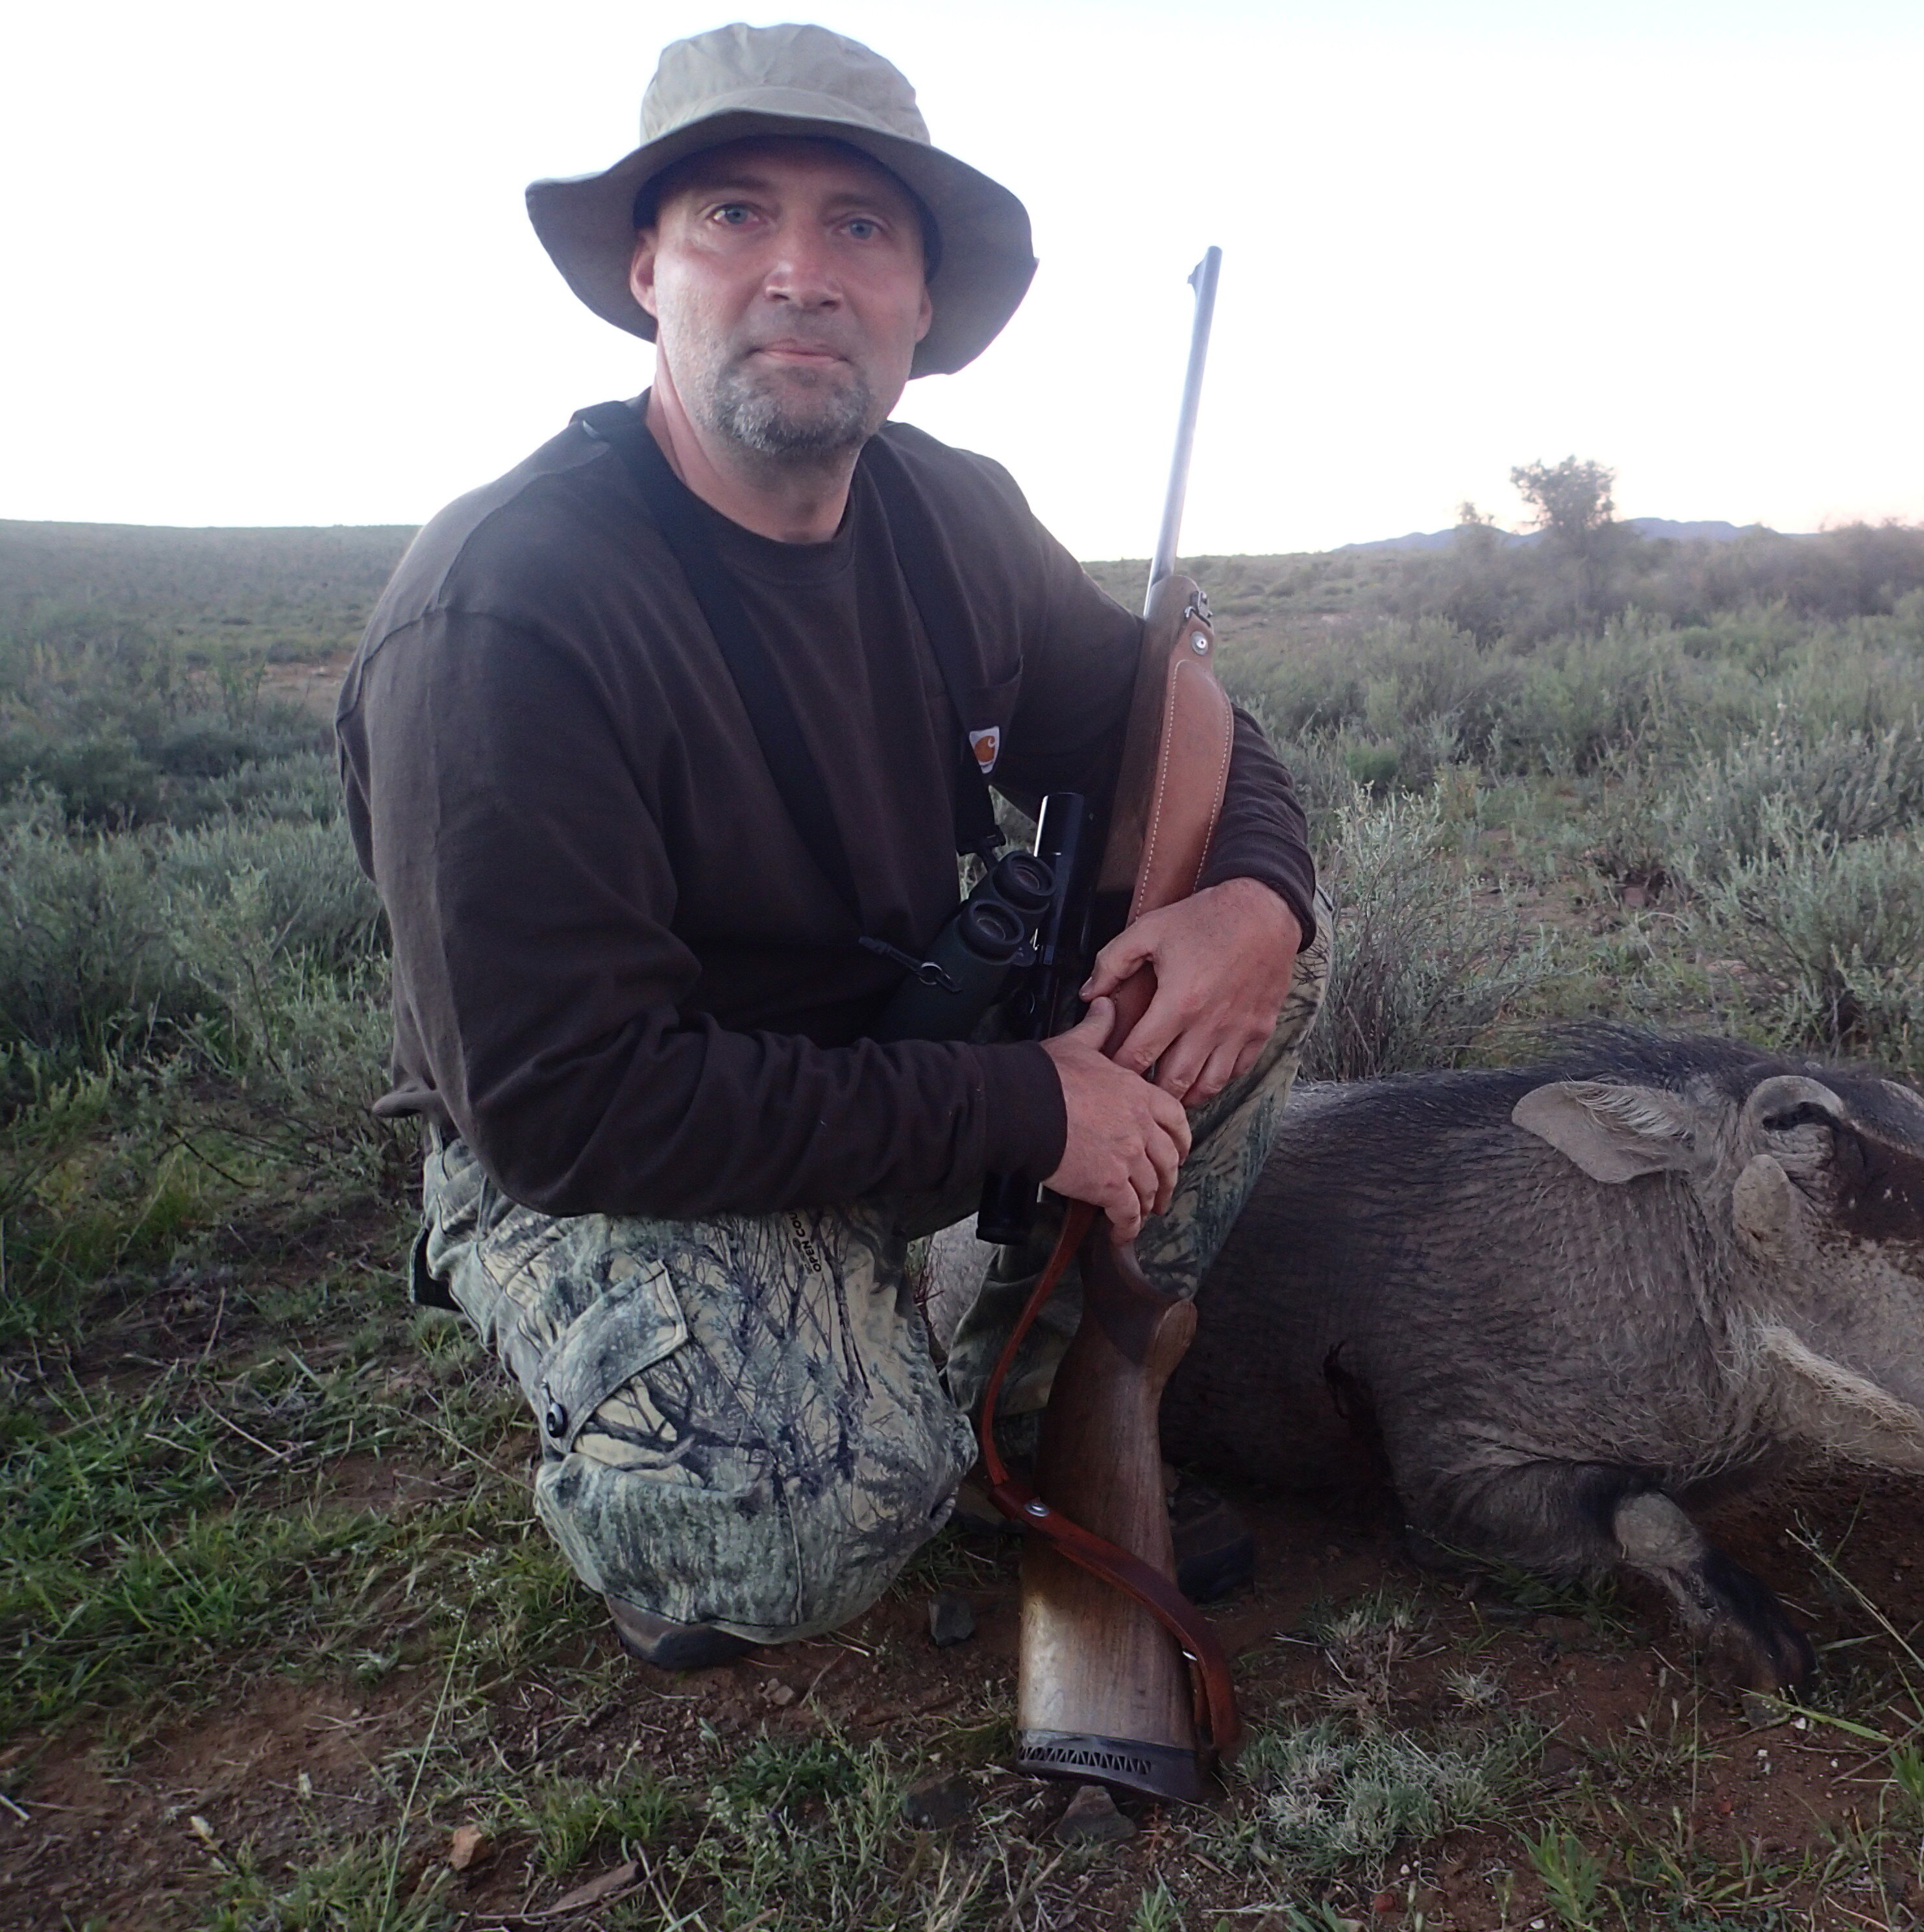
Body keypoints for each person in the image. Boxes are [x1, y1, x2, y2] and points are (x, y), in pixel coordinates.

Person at [338, 23, 1322, 1670]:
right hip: (611, 1154)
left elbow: (1180, 730)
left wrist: (1255, 902)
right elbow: (566, 1101)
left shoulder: (956, 517)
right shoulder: (506, 606)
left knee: (1222, 993)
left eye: (859, 227)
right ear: (647, 267)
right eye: (734, 215)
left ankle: (1025, 1424)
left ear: (921, 304)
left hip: (879, 1065)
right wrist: (1026, 1104)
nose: (799, 272)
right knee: (805, 1510)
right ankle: (670, 1501)